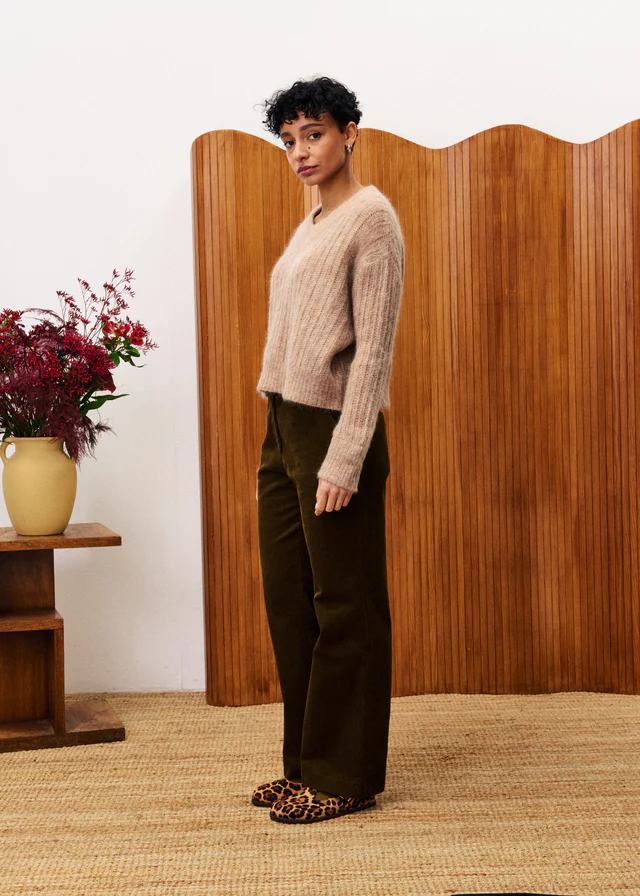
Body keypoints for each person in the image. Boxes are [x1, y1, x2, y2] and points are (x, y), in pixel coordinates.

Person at [252, 75, 405, 825]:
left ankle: (344, 776)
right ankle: (306, 764)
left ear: (349, 131)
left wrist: (344, 457)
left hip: (332, 428)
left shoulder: (371, 218)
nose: (300, 151)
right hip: (282, 425)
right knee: (290, 601)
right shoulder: (312, 222)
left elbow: (373, 352)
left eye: (312, 134)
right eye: (289, 140)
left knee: (346, 605)